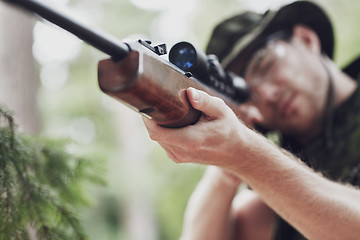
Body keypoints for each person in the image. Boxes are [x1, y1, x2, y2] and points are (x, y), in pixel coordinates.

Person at [143, 1, 360, 240]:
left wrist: (247, 154)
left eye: (265, 65)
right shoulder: (270, 200)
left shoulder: (277, 180)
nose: (265, 96)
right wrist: (227, 166)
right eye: (248, 96)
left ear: (307, 39)